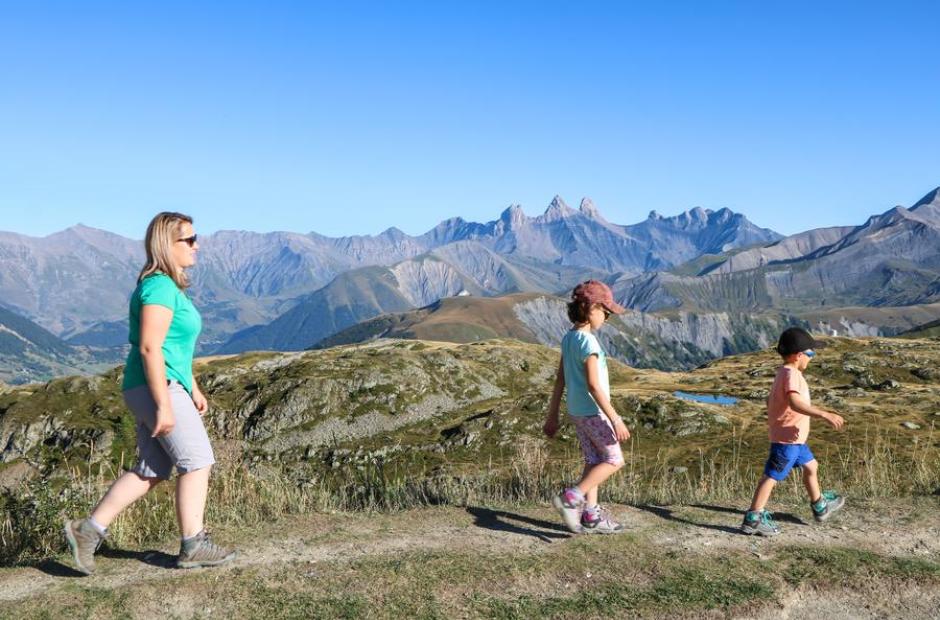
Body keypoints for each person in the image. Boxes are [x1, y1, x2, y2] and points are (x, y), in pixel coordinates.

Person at [64, 212, 236, 573]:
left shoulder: (169, 288)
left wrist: (194, 387)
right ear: (166, 245)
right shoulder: (158, 287)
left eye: (194, 238)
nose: (196, 245)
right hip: (156, 386)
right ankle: (194, 544)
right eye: (188, 240)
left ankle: (87, 531)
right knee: (198, 461)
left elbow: (176, 347)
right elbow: (149, 347)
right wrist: (164, 405)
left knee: (152, 468)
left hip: (161, 384)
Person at [741, 327, 846, 536]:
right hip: (787, 441)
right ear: (799, 356)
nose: (812, 358)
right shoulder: (792, 375)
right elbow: (794, 402)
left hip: (796, 440)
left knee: (811, 466)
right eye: (811, 354)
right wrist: (824, 414)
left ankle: (820, 506)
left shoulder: (783, 372)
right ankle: (753, 518)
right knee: (771, 476)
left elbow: (773, 400)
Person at [544, 280, 630, 534]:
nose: (606, 318)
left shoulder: (569, 338)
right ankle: (573, 496)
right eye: (606, 312)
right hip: (595, 413)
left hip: (576, 411)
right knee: (614, 460)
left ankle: (591, 516)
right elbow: (594, 385)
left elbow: (560, 378)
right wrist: (615, 419)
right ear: (592, 309)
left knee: (594, 459)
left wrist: (552, 415)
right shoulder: (589, 343)